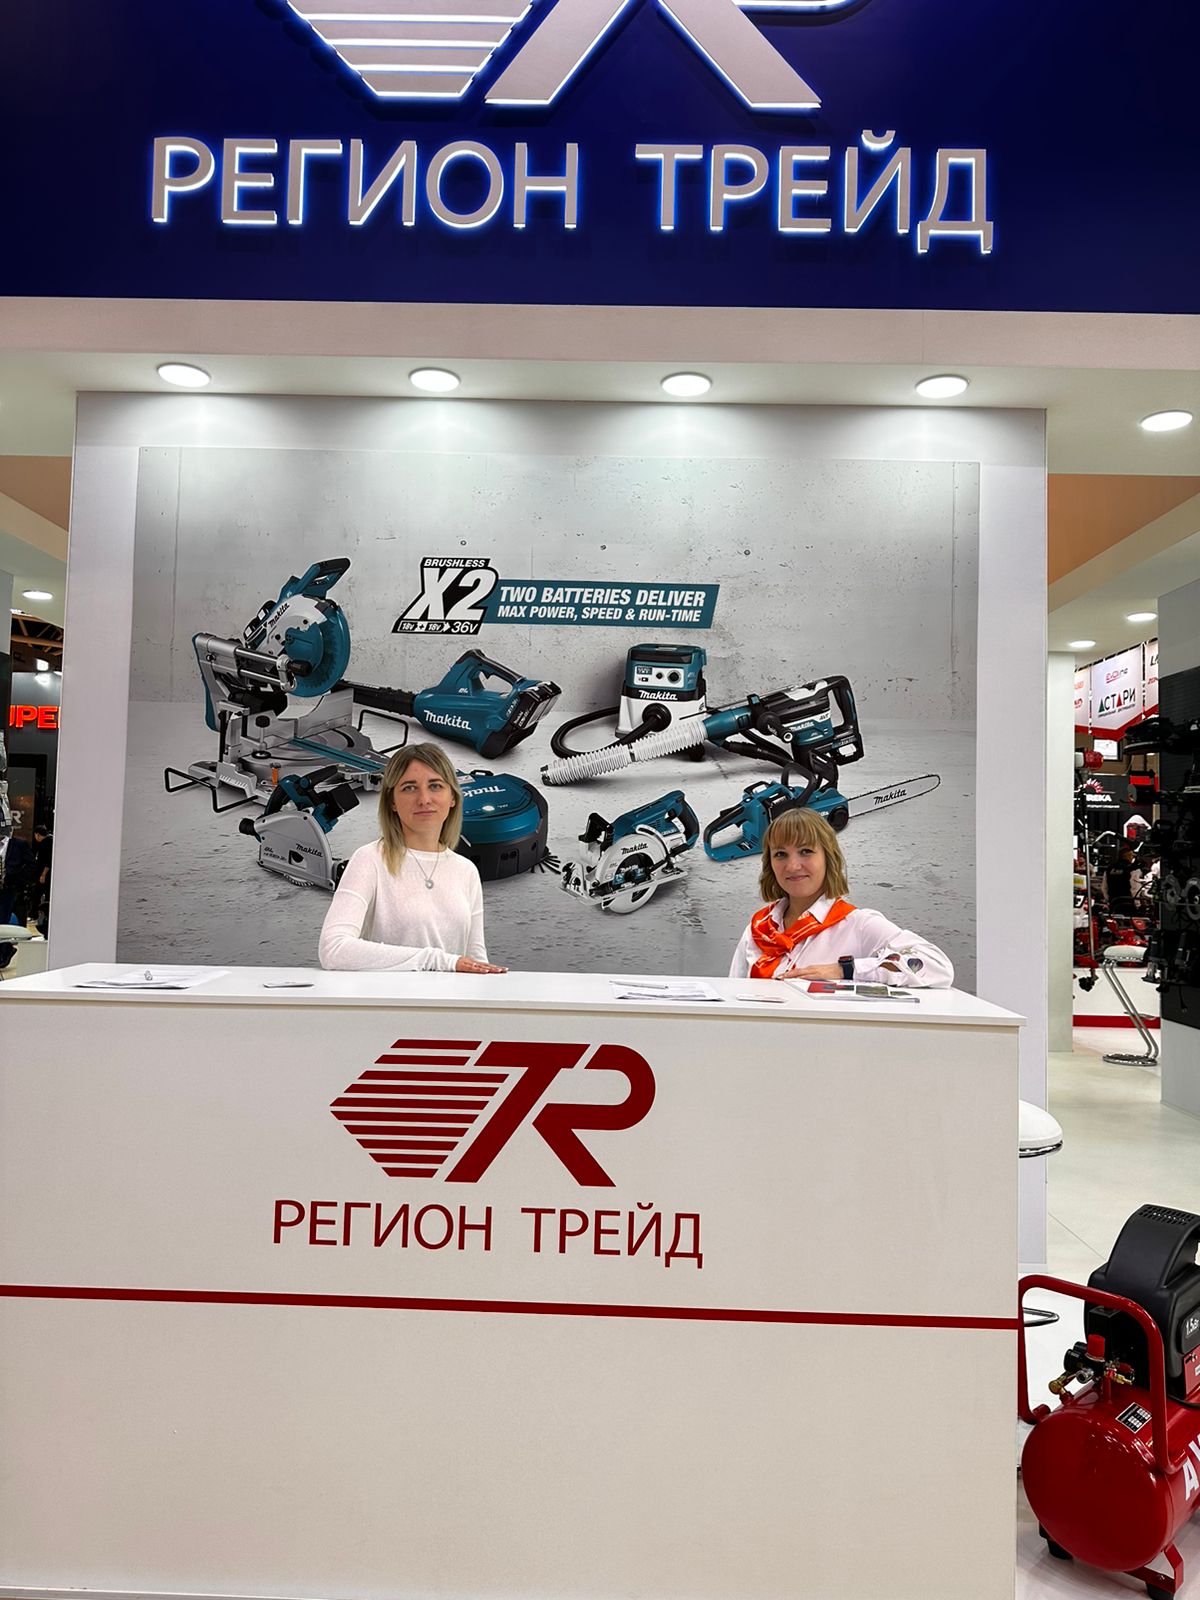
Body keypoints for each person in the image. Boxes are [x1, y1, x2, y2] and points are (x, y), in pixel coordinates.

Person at [319, 743, 506, 974]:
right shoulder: (369, 860)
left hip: (450, 998)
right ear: (392, 802)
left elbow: (476, 961)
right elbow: (333, 949)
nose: (424, 799)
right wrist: (437, 960)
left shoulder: (466, 871)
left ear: (453, 798)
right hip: (388, 997)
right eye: (409, 788)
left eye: (435, 786)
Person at [729, 807, 953, 986]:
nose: (793, 866)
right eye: (780, 854)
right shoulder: (758, 929)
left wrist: (846, 970)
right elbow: (733, 998)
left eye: (806, 851)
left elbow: (937, 966)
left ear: (828, 858)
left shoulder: (858, 925)